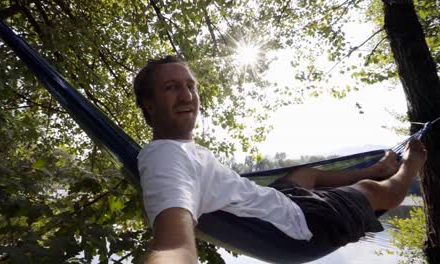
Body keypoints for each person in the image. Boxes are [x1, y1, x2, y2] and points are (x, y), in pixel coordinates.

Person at [133, 55, 427, 264]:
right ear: (149, 104)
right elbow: (173, 244)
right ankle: (408, 166)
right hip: (301, 225)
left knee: (305, 174)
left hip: (277, 200)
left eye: (190, 86)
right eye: (171, 88)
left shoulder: (182, 149)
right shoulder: (165, 157)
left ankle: (379, 167)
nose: (187, 96)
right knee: (372, 190)